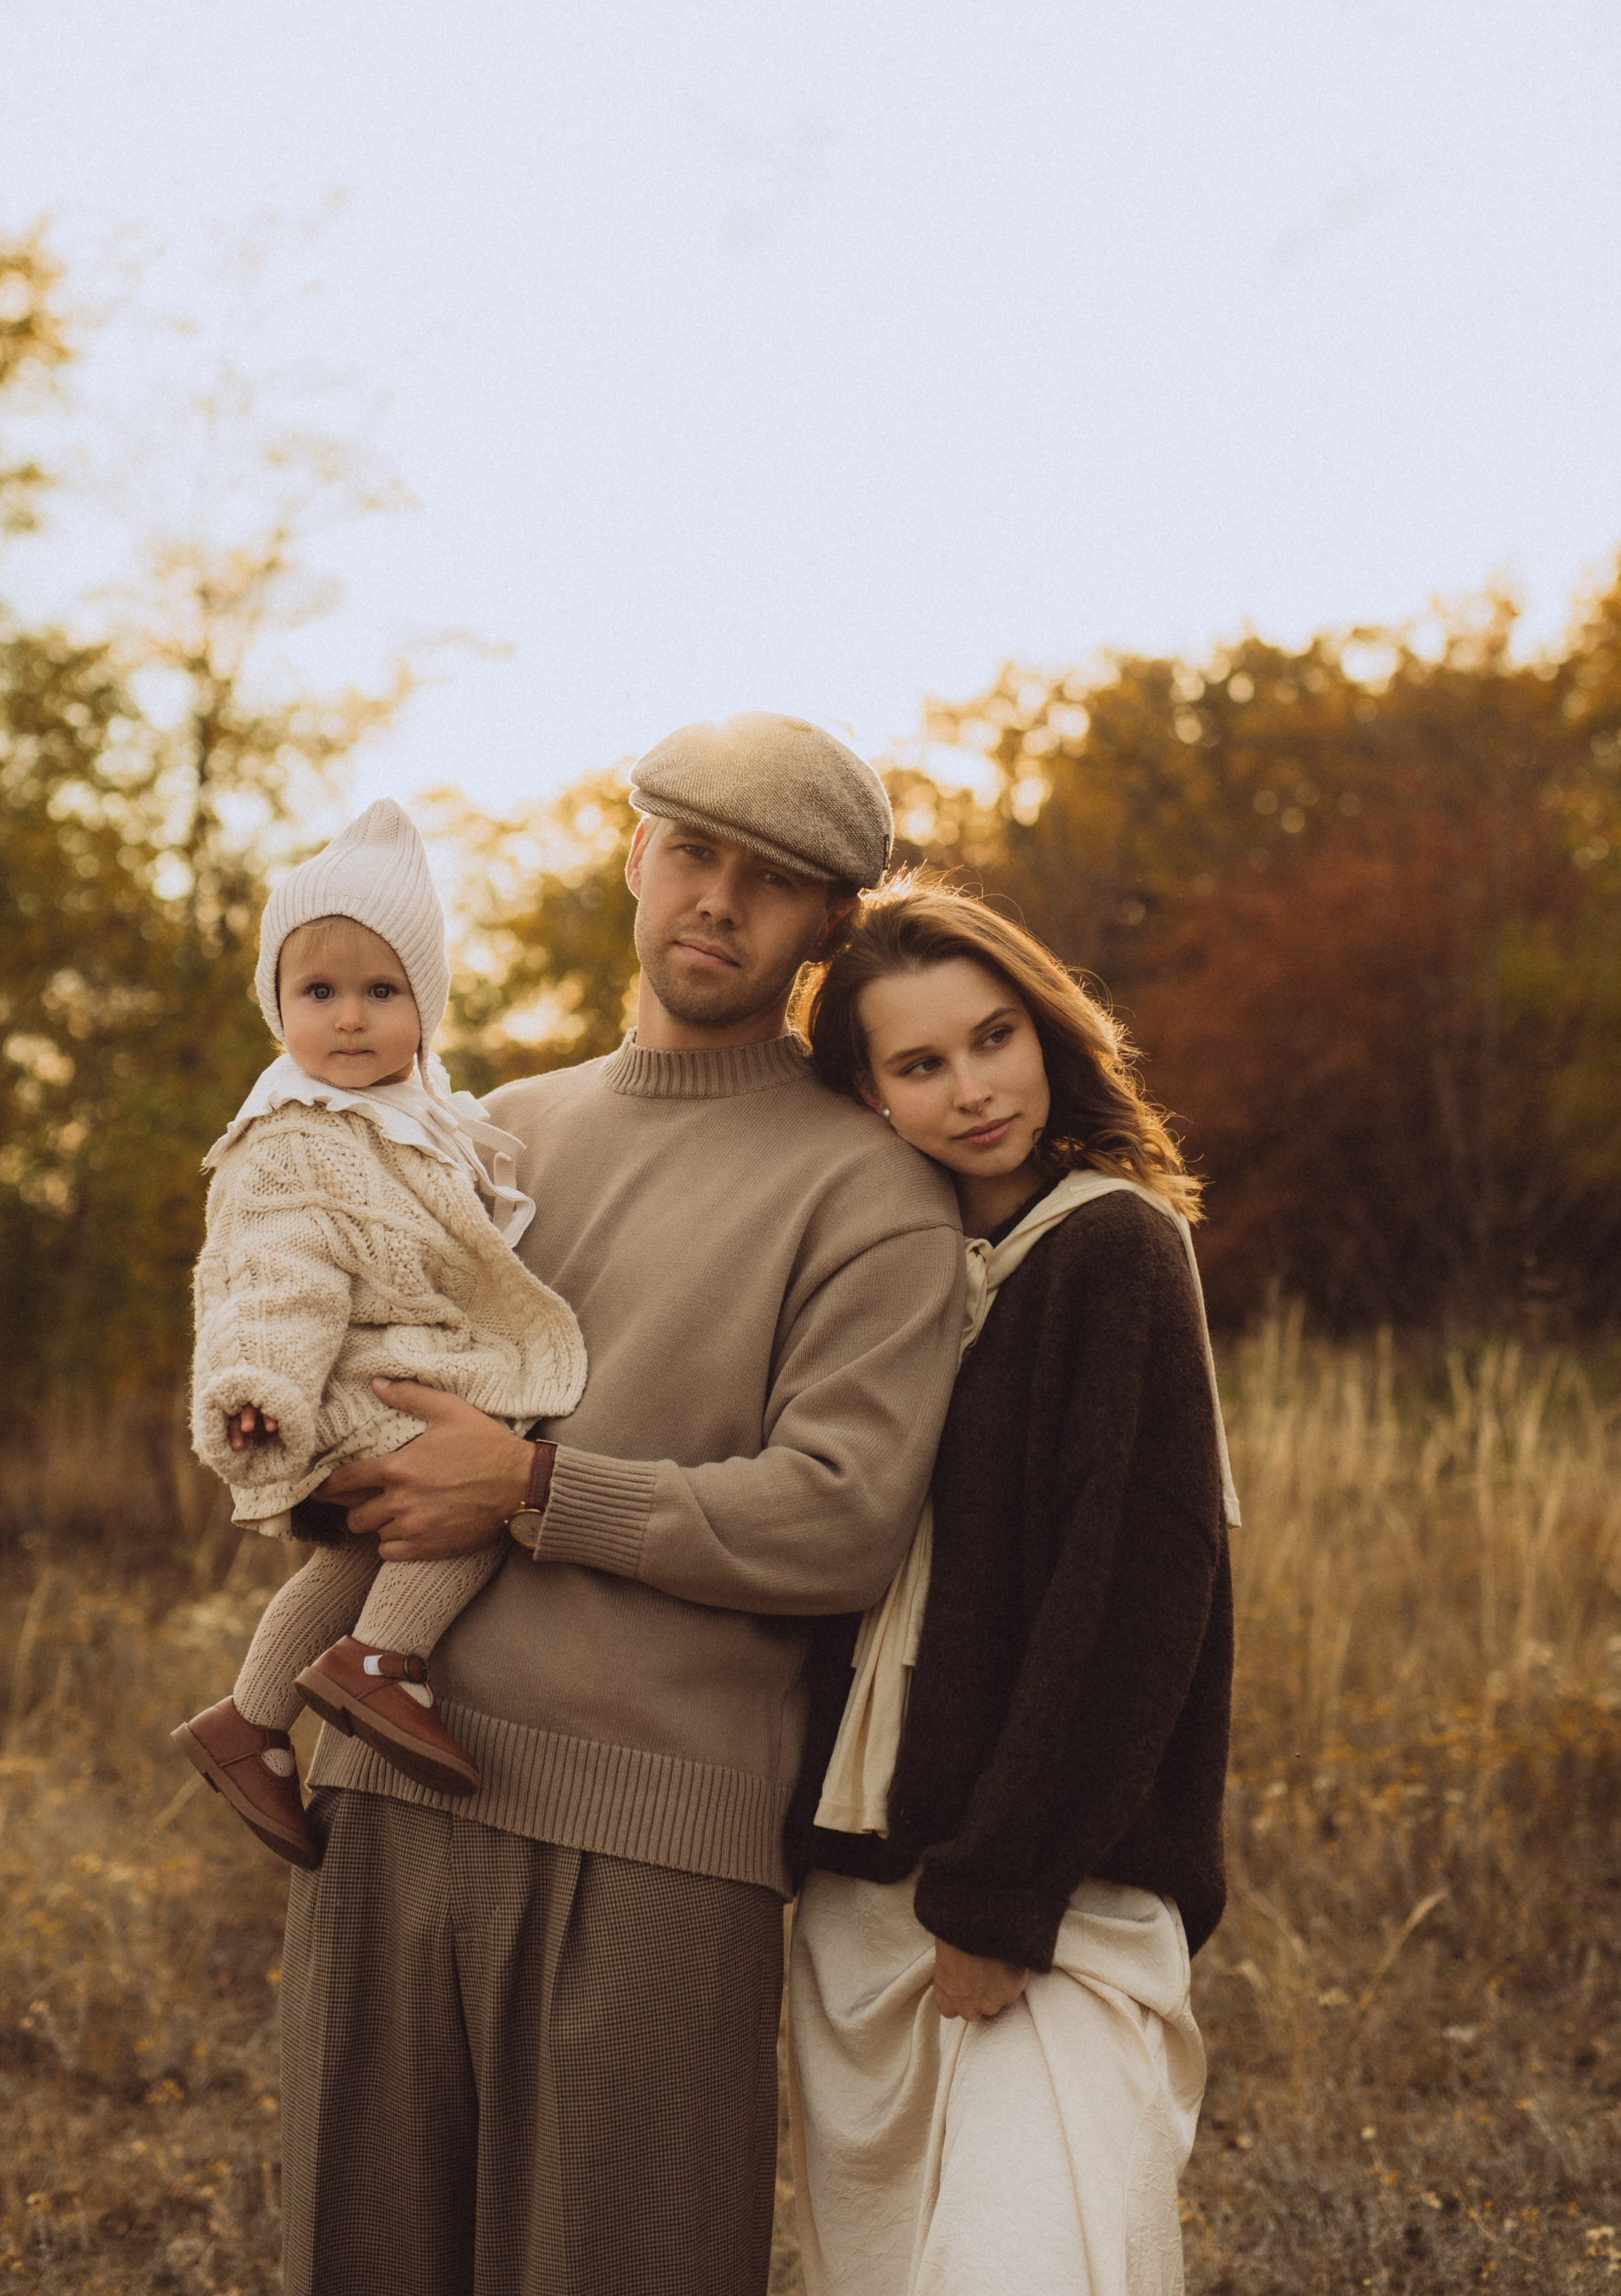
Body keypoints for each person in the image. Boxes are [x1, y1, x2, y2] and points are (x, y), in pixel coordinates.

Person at [279, 715, 968, 2296]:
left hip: (656, 1841)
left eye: (773, 882)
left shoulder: (870, 1193)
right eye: (694, 854)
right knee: (356, 2260)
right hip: (387, 1794)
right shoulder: (493, 1125)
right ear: (633, 855)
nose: (718, 902)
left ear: (826, 927)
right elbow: (362, 1405)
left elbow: (836, 1519)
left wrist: (533, 1488)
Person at [785, 881, 1239, 2296]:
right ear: (863, 1095)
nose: (973, 1089)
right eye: (919, 1065)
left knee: (1024, 2266)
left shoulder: (1112, 1249)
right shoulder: (886, 1269)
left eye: (993, 1038)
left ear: (1044, 1032)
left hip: (1049, 1896)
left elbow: (1127, 1597)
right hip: (861, 1893)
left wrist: (1001, 1898)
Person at [173, 800, 586, 1866]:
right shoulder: (294, 1139)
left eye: (380, 991)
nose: (349, 1019)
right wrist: (258, 1385)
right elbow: (273, 1277)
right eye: (319, 992)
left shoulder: (422, 1115)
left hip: (387, 1379)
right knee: (472, 1501)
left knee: (364, 1555)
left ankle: (249, 1723)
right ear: (278, 1009)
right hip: (344, 1388)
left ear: (424, 1008)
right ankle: (381, 1664)